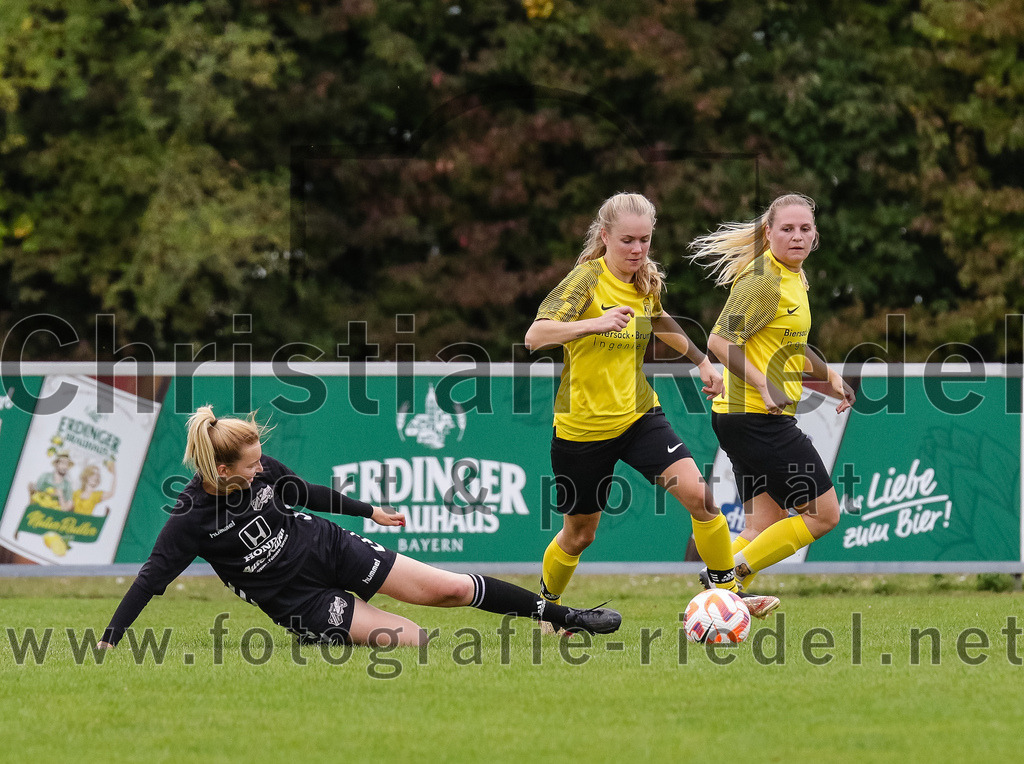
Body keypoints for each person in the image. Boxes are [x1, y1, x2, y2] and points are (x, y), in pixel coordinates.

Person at [98, 406, 621, 649]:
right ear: (222, 469)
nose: (263, 468)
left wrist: (368, 511)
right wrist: (109, 642)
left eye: (262, 459)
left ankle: (564, 615)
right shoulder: (190, 520)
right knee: (416, 641)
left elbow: (305, 494)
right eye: (252, 464)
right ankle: (321, 633)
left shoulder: (264, 469)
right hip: (297, 601)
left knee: (452, 588)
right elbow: (150, 580)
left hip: (331, 548)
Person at [524, 192, 780, 625]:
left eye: (644, 240)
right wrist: (594, 323)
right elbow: (535, 336)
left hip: (640, 417)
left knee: (702, 499)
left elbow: (659, 319)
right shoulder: (586, 279)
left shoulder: (646, 281)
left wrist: (701, 361)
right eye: (627, 241)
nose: (637, 250)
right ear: (604, 236)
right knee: (579, 535)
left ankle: (730, 595)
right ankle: (547, 607)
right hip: (582, 429)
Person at [688, 193, 856, 591]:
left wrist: (829, 377)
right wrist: (764, 384)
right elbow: (719, 341)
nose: (797, 237)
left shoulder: (794, 276)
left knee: (763, 525)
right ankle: (725, 578)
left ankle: (720, 600)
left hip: (741, 418)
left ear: (815, 236)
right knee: (824, 515)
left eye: (805, 229)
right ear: (769, 233)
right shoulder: (764, 279)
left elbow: (790, 348)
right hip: (753, 418)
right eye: (787, 229)